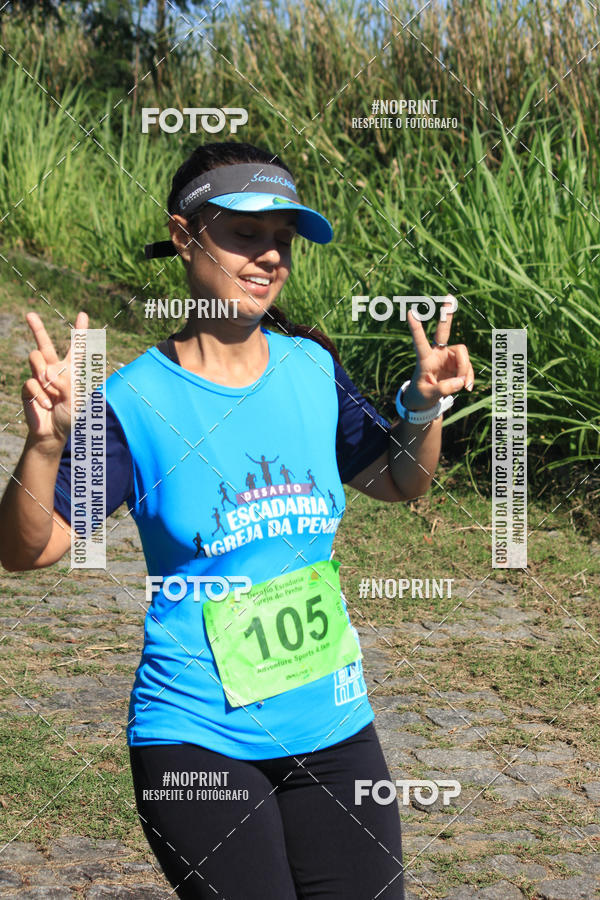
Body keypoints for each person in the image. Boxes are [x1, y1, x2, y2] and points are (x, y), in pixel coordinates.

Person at [0, 140, 474, 899]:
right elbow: (30, 549)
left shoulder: (312, 370)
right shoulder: (135, 403)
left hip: (333, 726)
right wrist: (46, 447)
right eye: (245, 235)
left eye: (280, 242)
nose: (268, 258)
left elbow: (400, 481)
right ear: (185, 238)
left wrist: (424, 407)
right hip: (197, 737)